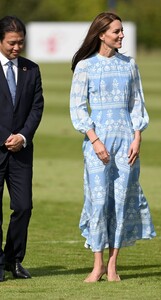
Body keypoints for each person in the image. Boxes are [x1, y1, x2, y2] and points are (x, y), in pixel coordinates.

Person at [70, 12, 156, 283]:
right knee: (98, 202)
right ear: (101, 34)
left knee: (120, 202)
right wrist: (94, 140)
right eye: (116, 31)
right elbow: (78, 107)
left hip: (126, 141)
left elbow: (137, 104)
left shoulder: (130, 65)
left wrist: (137, 137)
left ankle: (112, 265)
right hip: (98, 141)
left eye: (121, 31)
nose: (121, 35)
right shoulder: (85, 66)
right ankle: (96, 265)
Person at [0, 16, 44, 282]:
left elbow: (37, 107)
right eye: (11, 43)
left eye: (21, 43)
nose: (17, 48)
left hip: (21, 151)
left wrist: (23, 136)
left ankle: (14, 260)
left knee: (23, 206)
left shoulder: (31, 69)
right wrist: (6, 136)